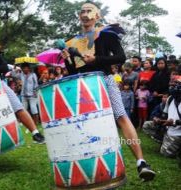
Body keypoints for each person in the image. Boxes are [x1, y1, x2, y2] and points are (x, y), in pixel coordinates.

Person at [61, 2, 155, 181]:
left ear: (97, 16)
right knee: (86, 123)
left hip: (105, 80)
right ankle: (92, 167)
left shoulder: (106, 34)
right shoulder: (73, 41)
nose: (85, 14)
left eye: (89, 11)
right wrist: (67, 60)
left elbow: (121, 57)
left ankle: (141, 162)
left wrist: (96, 59)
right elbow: (74, 71)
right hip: (84, 85)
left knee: (121, 115)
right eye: (82, 11)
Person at [160, 76, 181, 158]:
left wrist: (174, 122)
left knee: (165, 153)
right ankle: (163, 140)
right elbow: (165, 114)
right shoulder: (170, 98)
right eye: (173, 83)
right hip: (169, 129)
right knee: (148, 125)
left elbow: (174, 121)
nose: (173, 85)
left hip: (178, 133)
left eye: (178, 84)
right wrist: (159, 120)